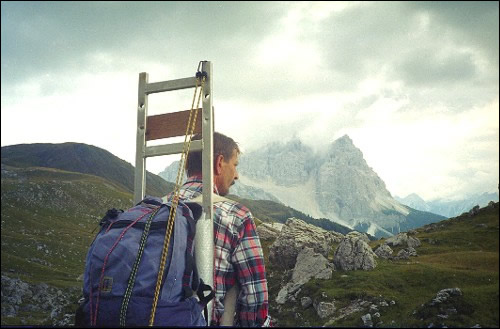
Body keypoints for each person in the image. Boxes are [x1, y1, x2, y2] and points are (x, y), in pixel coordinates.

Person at [165, 132, 270, 327]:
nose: (236, 175)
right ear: (219, 163)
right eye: (235, 165)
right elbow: (255, 300)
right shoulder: (236, 215)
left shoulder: (157, 207)